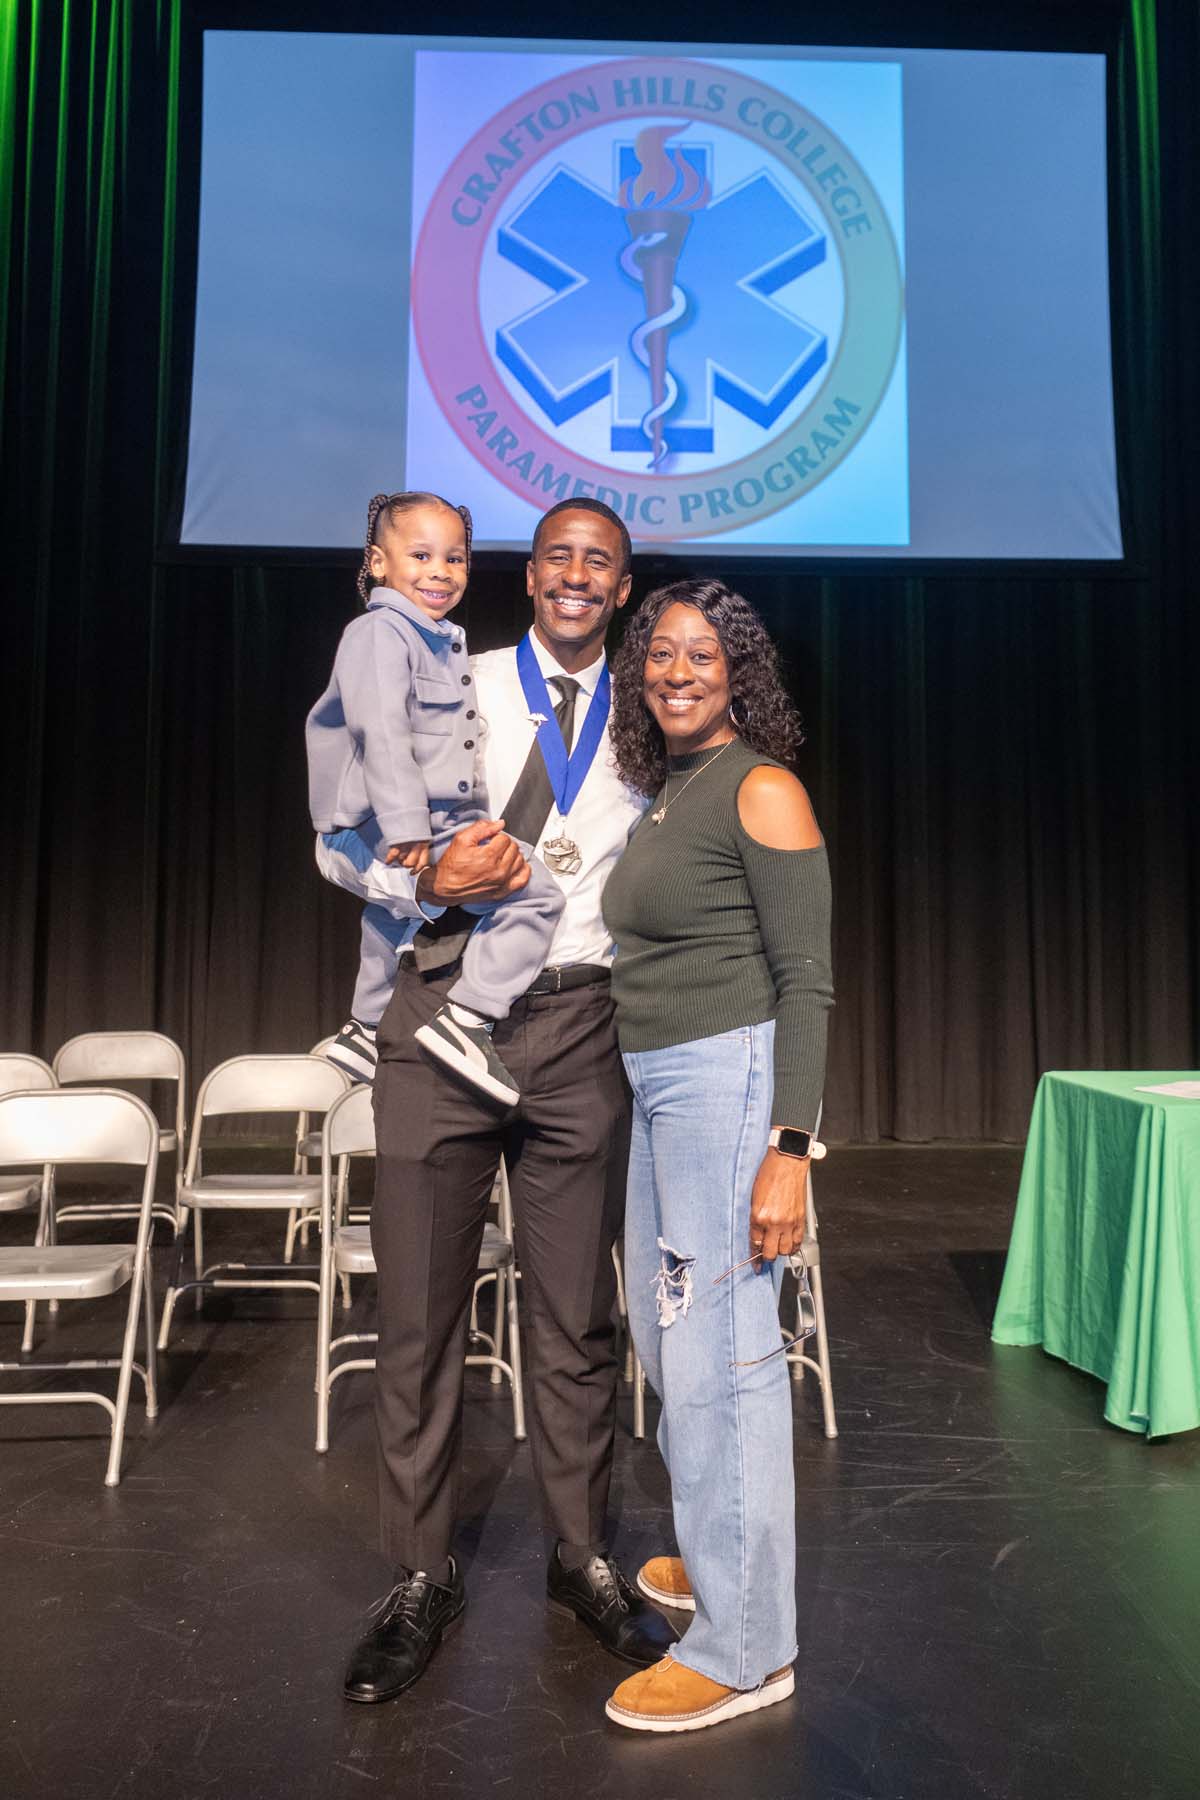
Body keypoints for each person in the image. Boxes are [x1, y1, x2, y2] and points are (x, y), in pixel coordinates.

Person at [341, 499, 680, 1705]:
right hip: (441, 1015)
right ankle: (421, 1574)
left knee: (577, 1319)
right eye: (556, 558)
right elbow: (335, 825)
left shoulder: (654, 715)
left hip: (582, 1025)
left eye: (600, 561)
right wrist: (416, 866)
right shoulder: (446, 669)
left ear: (622, 587)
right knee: (423, 1314)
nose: (576, 576)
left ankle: (580, 1556)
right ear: (525, 577)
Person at [598, 577, 834, 1734]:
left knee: (722, 1352)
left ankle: (747, 1649)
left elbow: (809, 982)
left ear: (740, 671)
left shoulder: (762, 788)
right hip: (657, 1086)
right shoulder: (669, 788)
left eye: (703, 655)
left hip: (727, 1082)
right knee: (668, 1333)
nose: (678, 672)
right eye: (659, 656)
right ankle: (725, 1541)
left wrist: (790, 1147)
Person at [306, 490, 564, 1106]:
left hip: (427, 815)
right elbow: (381, 732)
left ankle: (364, 1029)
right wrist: (407, 828)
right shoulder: (378, 632)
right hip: (393, 815)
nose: (440, 571)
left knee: (393, 911)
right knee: (538, 893)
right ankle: (469, 1018)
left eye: (455, 558)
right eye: (420, 555)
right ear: (377, 563)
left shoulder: (437, 640)